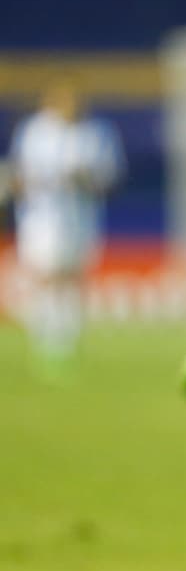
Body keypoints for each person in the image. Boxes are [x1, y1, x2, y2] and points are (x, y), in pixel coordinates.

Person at [6, 78, 125, 379]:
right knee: (46, 274)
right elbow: (17, 177)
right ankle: (46, 338)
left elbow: (111, 179)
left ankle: (66, 340)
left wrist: (85, 179)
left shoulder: (96, 133)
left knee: (72, 277)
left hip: (81, 218)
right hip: (41, 219)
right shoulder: (34, 132)